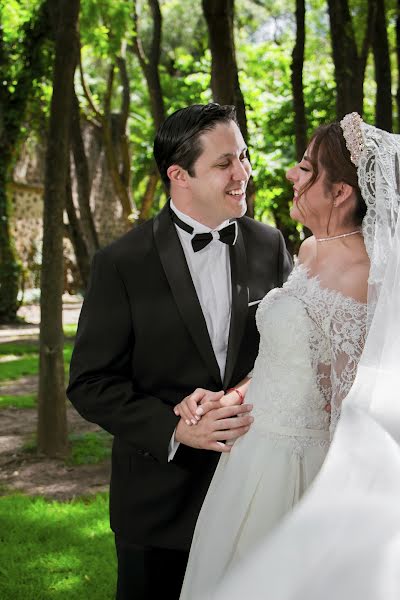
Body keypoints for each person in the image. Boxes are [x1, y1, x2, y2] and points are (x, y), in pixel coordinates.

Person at [66, 102, 291, 599]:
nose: (243, 173)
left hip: (253, 492)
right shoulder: (121, 263)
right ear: (178, 175)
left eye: (244, 156)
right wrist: (175, 429)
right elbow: (89, 383)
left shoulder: (269, 245)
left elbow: (290, 353)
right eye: (224, 163)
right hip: (157, 507)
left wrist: (236, 395)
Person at [178, 114, 370, 599]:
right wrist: (226, 399)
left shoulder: (362, 274)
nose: (290, 173)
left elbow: (347, 404)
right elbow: (285, 359)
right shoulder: (307, 250)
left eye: (306, 169)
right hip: (249, 454)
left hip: (298, 466)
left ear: (341, 191)